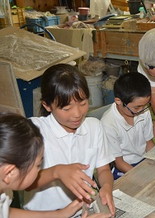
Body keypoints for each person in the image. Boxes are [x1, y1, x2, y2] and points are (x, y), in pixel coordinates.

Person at [23, 64, 115, 217]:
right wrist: (56, 172)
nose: (77, 114)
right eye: (66, 109)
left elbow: (103, 169)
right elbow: (25, 184)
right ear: (47, 105)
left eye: (83, 103)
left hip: (81, 211)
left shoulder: (94, 127)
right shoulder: (33, 130)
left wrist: (106, 187)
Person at [0, 113, 85, 217]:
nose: (39, 170)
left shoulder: (3, 187)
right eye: (38, 165)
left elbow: (6, 213)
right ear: (9, 173)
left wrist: (59, 214)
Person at [101, 73, 154, 180]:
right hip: (123, 167)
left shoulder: (144, 111)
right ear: (118, 101)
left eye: (145, 105)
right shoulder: (108, 124)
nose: (141, 110)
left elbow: (149, 143)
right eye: (137, 107)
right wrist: (141, 177)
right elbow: (119, 162)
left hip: (144, 159)